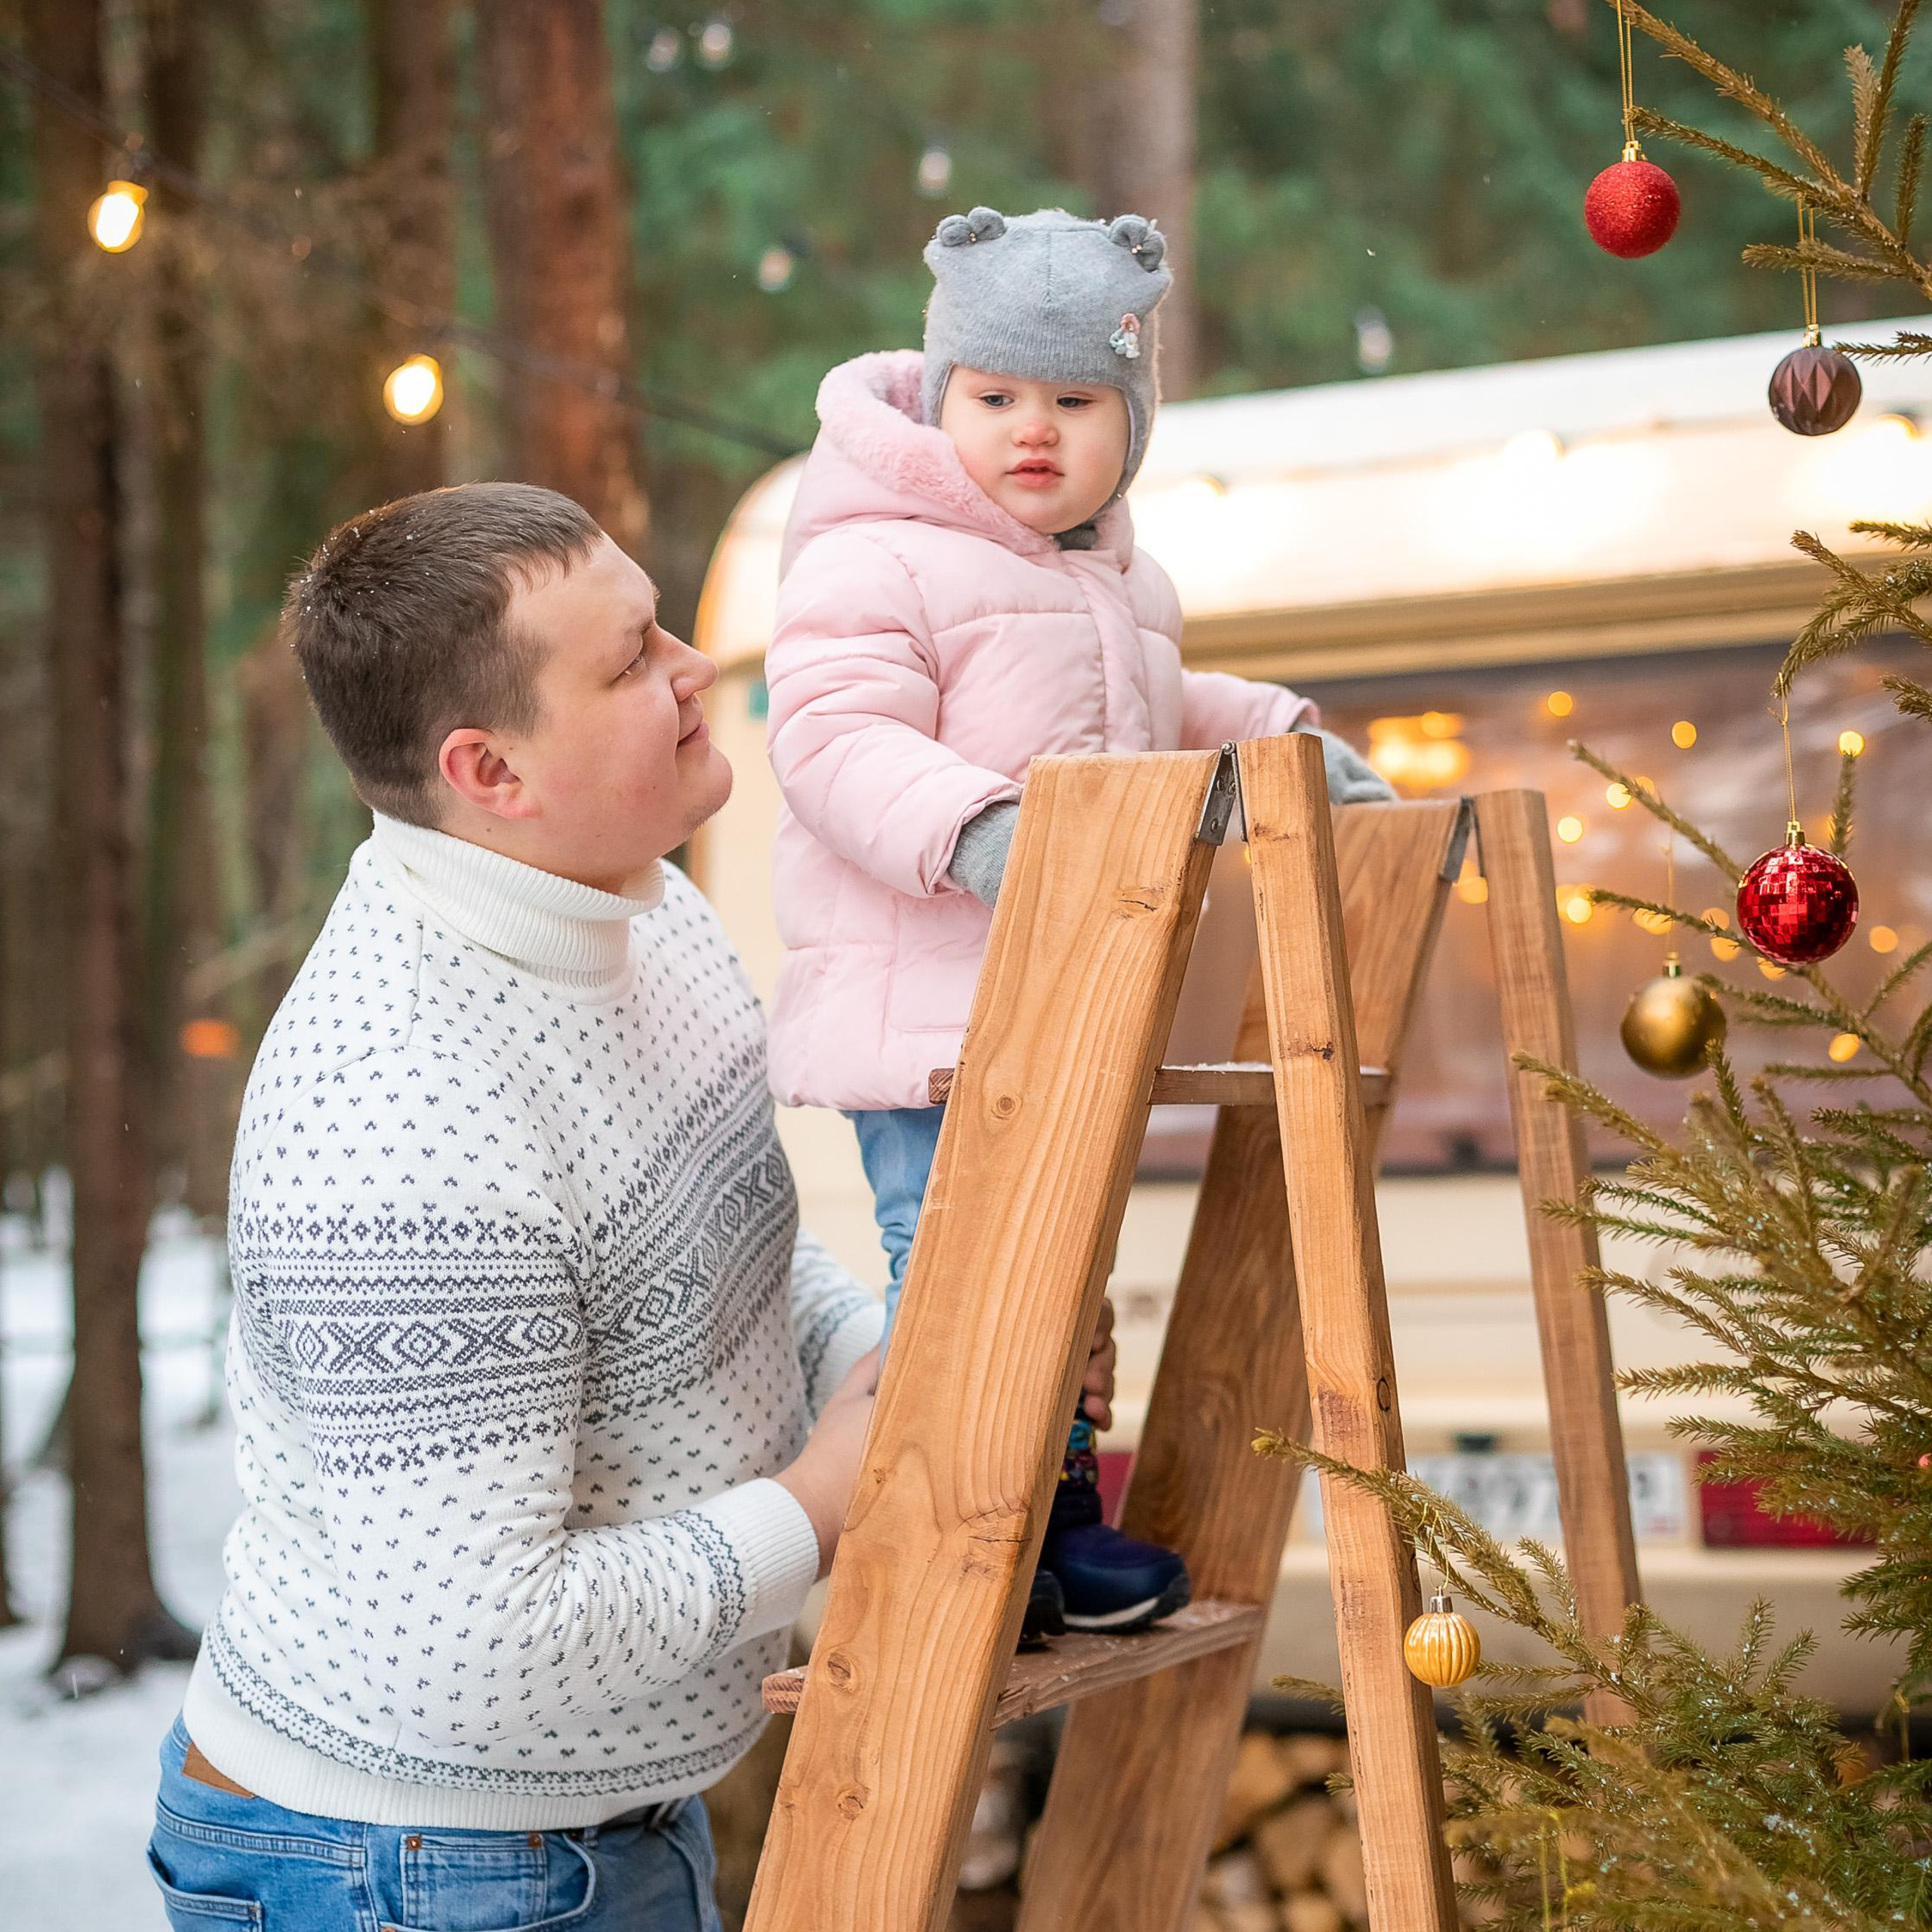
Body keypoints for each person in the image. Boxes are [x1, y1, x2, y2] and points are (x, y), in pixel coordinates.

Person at [148, 481, 1120, 1932]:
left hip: (579, 1832)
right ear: (491, 772)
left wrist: (915, 1360)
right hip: (403, 1868)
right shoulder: (404, 1117)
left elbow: (729, 1263)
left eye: (660, 622)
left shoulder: (644, 916)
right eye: (629, 660)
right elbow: (473, 1649)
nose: (695, 668)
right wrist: (825, 1500)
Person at [764, 206, 1392, 1641]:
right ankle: (952, 1534)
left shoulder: (1117, 584)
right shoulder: (879, 557)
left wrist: (1286, 741)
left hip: (1073, 1011)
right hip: (935, 1017)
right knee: (968, 1277)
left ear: (1135, 420)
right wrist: (980, 832)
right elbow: (836, 740)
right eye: (994, 397)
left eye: (1075, 400)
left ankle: (1050, 1527)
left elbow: (1166, 719)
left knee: (1062, 1279)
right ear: (939, 399)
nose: (1031, 430)